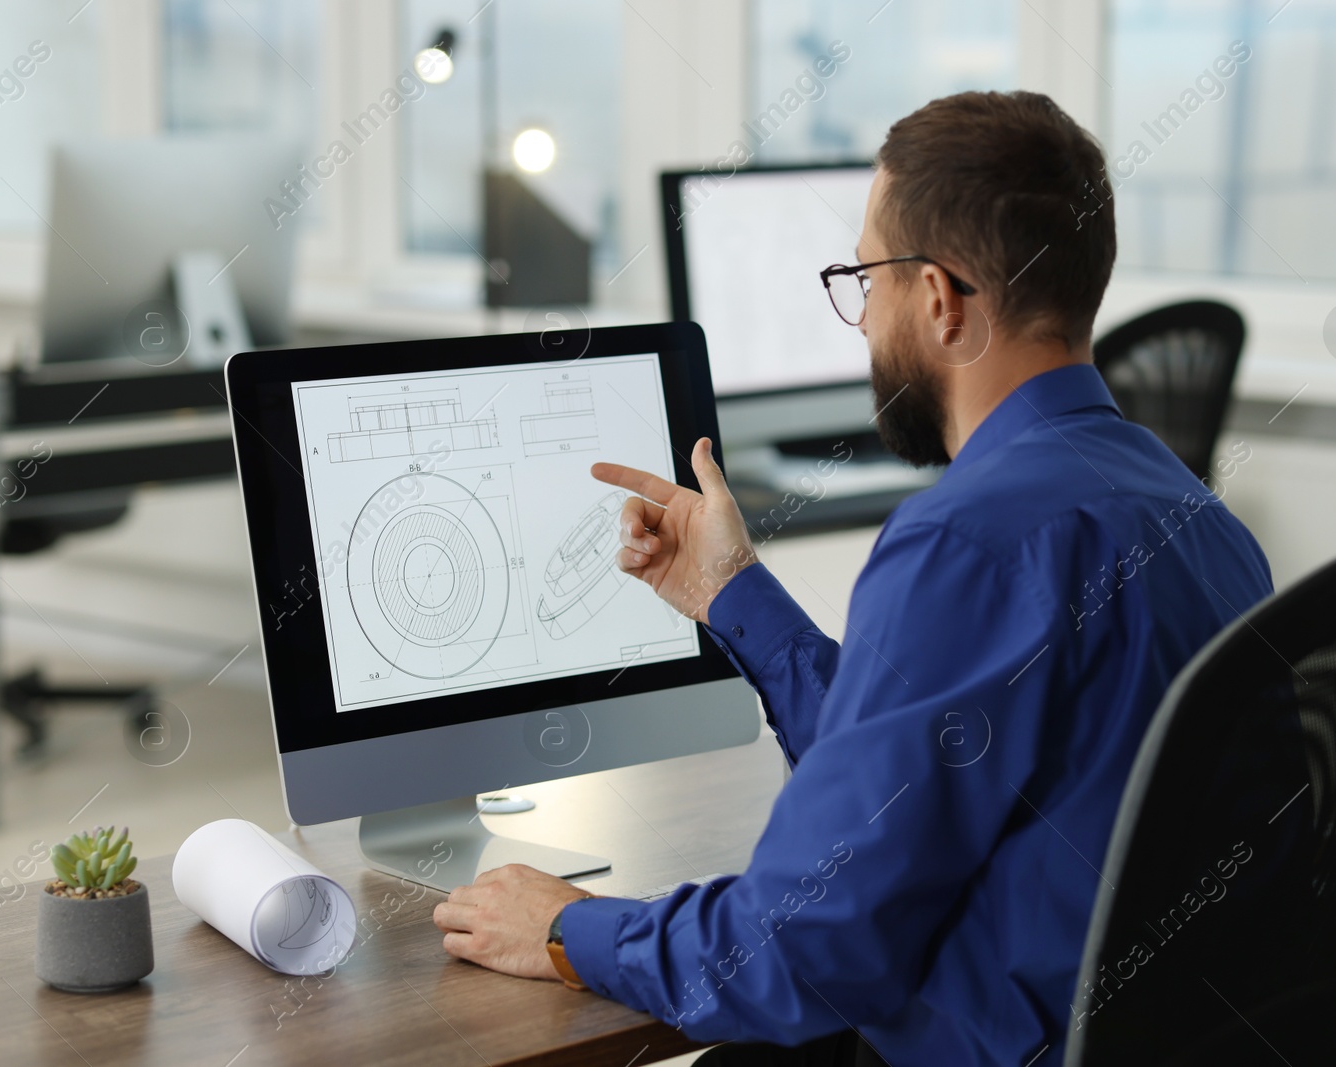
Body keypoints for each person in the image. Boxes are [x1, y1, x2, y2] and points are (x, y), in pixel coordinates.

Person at [430, 90, 1273, 1066]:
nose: (860, 314)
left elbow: (797, 951)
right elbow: (922, 773)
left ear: (939, 300)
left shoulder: (965, 542)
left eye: (865, 277)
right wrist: (727, 590)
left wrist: (567, 926)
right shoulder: (1201, 519)